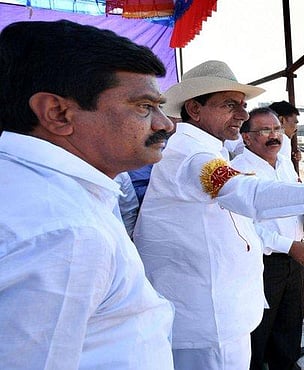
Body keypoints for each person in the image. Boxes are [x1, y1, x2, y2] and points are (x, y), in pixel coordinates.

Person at [132, 60, 304, 370]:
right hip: (209, 323)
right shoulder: (193, 156)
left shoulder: (206, 149)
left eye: (243, 105)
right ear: (195, 109)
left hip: (216, 310)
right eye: (229, 105)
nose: (242, 114)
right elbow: (247, 193)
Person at [0, 20, 176, 369]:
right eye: (144, 106)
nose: (165, 124)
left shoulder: (35, 189)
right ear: (58, 113)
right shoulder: (68, 233)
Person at [231, 108, 304, 370]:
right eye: (264, 130)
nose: (274, 135)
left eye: (277, 129)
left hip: (293, 258)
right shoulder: (236, 172)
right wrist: (289, 246)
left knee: (289, 323)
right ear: (246, 138)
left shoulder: (284, 164)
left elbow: (295, 198)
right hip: (263, 263)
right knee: (258, 327)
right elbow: (245, 226)